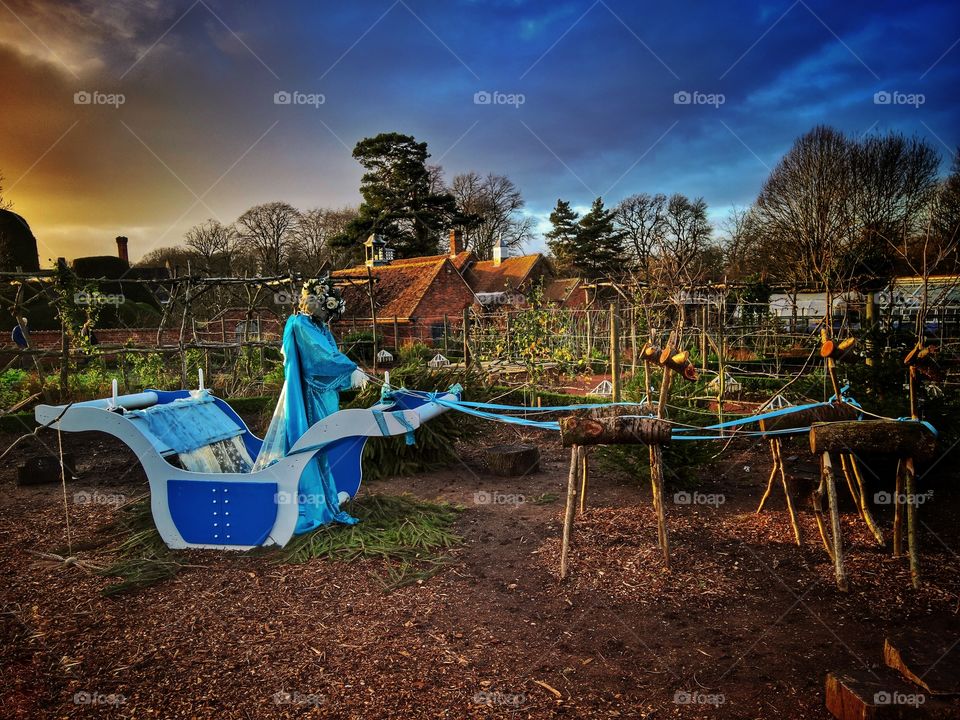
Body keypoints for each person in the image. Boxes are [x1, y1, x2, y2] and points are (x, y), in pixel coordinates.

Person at [254, 277, 367, 533]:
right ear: (316, 303)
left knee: (320, 450)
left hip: (323, 394)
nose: (328, 317)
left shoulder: (319, 326)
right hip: (311, 396)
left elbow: (329, 352)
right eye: (327, 310)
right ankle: (311, 505)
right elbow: (319, 359)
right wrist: (350, 369)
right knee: (311, 445)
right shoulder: (301, 324)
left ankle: (326, 502)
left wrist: (349, 369)